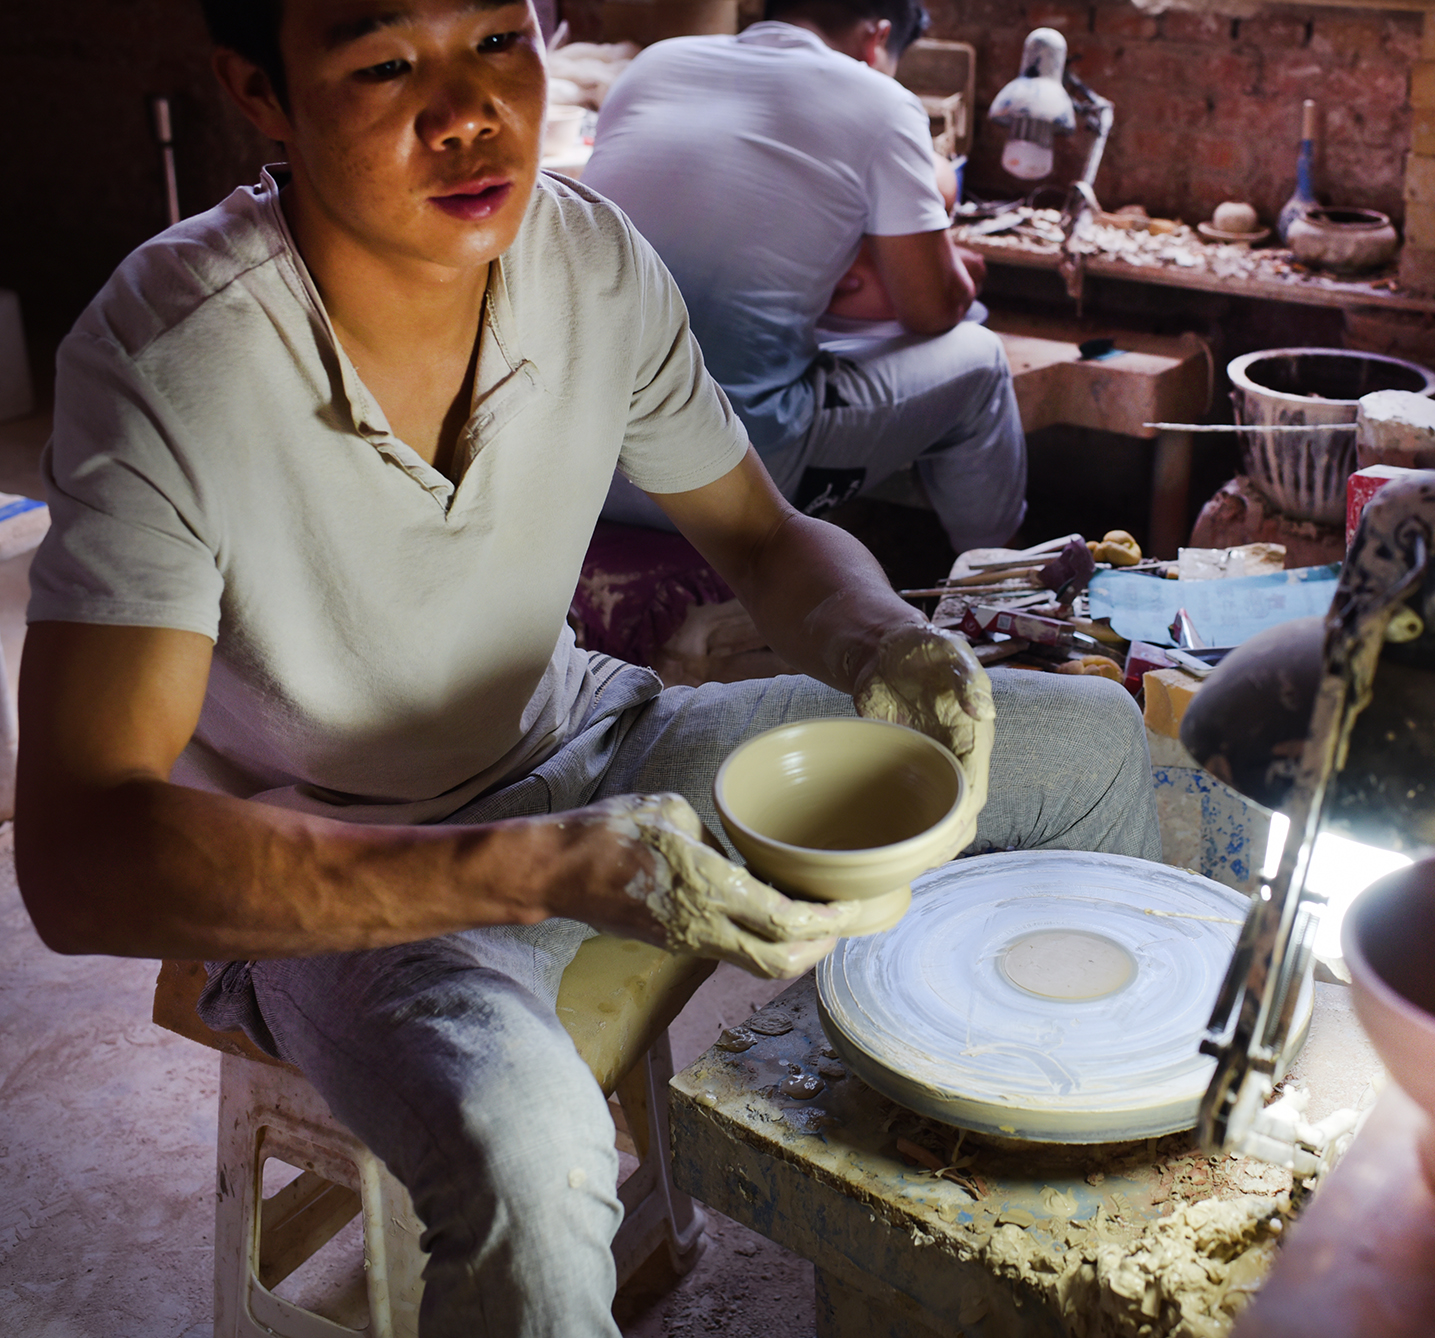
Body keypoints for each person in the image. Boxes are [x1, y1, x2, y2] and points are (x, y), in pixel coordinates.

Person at [13, 2, 1159, 1334]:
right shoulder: (172, 353)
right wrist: (555, 866)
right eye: (385, 64)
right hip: (333, 854)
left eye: (500, 39)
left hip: (583, 739)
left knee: (1089, 744)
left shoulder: (589, 261)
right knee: (532, 1160)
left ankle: (1069, 1228)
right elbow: (82, 855)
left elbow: (763, 537)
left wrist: (887, 643)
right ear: (259, 92)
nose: (468, 113)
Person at [583, 0, 1026, 550]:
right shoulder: (882, 102)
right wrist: (959, 272)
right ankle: (998, 590)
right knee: (981, 363)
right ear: (877, 38)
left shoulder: (654, 65)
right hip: (718, 473)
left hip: (582, 462)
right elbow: (931, 310)